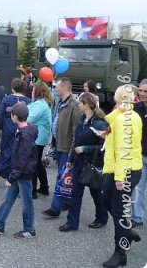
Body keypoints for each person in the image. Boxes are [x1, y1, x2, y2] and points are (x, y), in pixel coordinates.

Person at [101, 84, 142, 267]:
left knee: (118, 211)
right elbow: (111, 121)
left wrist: (120, 177)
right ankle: (128, 232)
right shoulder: (121, 116)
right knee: (106, 202)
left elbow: (124, 150)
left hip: (125, 170)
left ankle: (120, 252)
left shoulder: (128, 119)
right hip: (116, 168)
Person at [0, 102, 38, 239]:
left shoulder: (25, 135)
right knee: (8, 198)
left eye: (11, 114)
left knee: (26, 203)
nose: (10, 116)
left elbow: (22, 159)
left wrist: (11, 177)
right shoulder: (24, 130)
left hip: (23, 174)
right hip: (18, 172)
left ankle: (29, 229)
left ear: (15, 117)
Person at [58, 92, 108, 232]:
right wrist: (71, 158)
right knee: (75, 193)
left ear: (86, 105)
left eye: (80, 103)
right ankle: (72, 222)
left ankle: (102, 218)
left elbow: (104, 146)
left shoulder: (99, 124)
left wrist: (86, 149)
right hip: (79, 163)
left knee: (96, 193)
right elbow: (76, 141)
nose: (78, 105)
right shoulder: (81, 120)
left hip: (92, 164)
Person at [42, 77, 81, 218]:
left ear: (64, 88)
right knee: (64, 176)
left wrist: (71, 151)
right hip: (58, 145)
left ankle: (55, 208)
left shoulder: (74, 105)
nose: (55, 89)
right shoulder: (59, 102)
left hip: (66, 148)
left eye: (56, 87)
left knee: (61, 177)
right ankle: (67, 201)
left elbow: (75, 130)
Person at [0, 79, 31, 186]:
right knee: (19, 152)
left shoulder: (7, 99)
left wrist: (2, 126)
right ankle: (14, 175)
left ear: (12, 88)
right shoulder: (28, 101)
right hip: (22, 127)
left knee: (5, 150)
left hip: (8, 127)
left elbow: (0, 115)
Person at [27, 82, 53, 198]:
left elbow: (28, 118)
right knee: (37, 163)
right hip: (40, 137)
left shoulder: (39, 105)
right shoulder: (41, 103)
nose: (31, 91)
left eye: (33, 90)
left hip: (37, 137)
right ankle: (44, 187)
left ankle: (32, 191)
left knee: (32, 163)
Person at [132, 79, 147, 228]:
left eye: (145, 91)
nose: (142, 94)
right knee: (139, 187)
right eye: (140, 91)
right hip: (140, 155)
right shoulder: (136, 108)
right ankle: (137, 217)